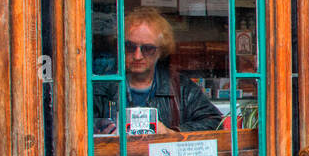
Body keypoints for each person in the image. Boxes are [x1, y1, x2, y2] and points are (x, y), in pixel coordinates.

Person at [95, 7, 223, 133]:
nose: (137, 56)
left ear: (161, 50)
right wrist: (99, 128)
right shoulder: (103, 87)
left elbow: (215, 122)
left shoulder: (180, 87)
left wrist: (171, 133)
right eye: (130, 47)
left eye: (148, 49)